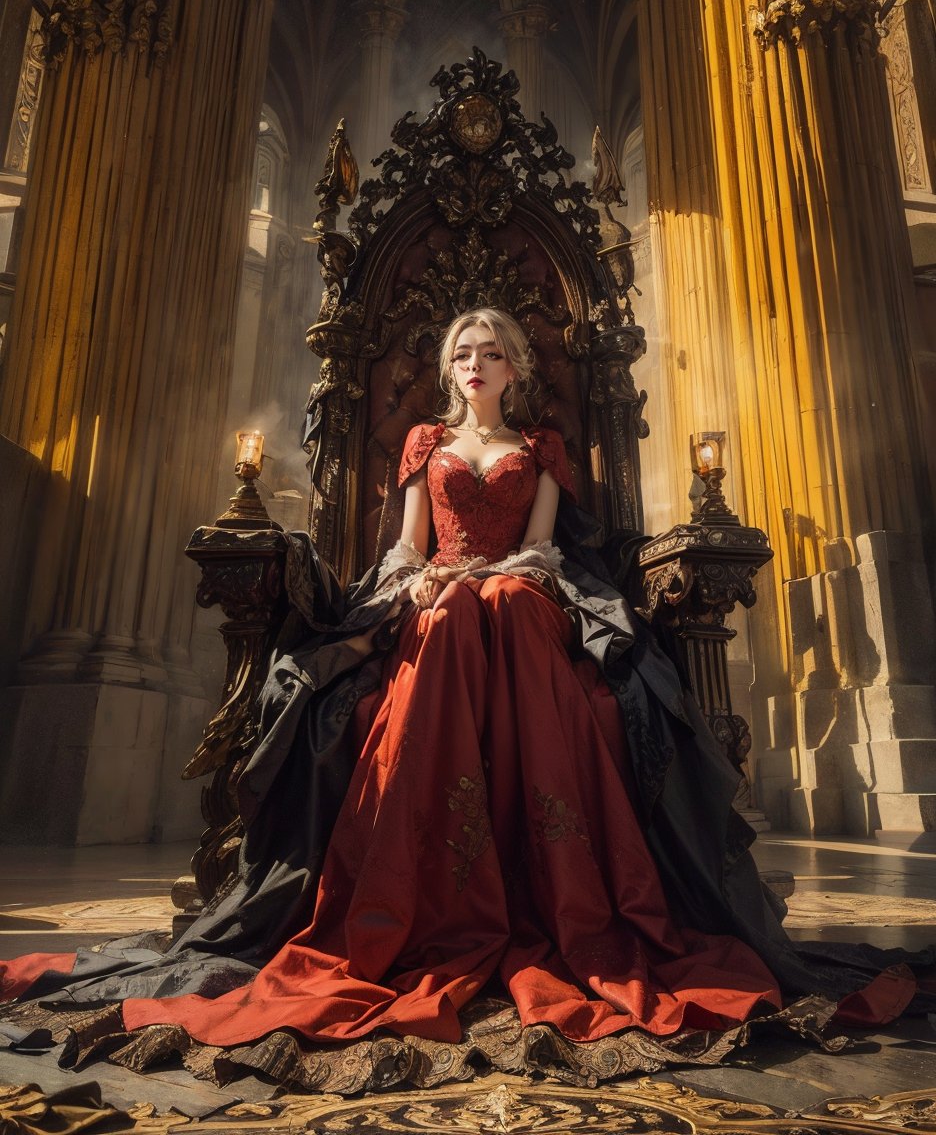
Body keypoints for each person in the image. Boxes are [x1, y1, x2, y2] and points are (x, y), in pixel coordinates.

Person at [0, 309, 930, 1092]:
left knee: (515, 606)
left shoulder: (541, 447)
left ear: (515, 368)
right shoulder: (425, 443)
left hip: (523, 587)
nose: (473, 363)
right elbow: (409, 543)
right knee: (445, 614)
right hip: (439, 590)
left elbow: (544, 547)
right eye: (461, 352)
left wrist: (495, 575)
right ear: (449, 370)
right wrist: (416, 582)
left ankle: (557, 884)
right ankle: (424, 883)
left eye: (489, 351)